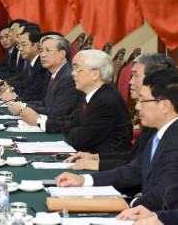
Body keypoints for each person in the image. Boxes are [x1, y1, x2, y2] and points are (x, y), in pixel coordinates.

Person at [56, 70, 178, 211]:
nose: (138, 106)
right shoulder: (159, 134)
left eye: (143, 100)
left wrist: (128, 205)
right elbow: (134, 171)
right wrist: (84, 180)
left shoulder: (174, 141)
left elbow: (164, 196)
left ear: (165, 106)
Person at [65, 53, 176, 171]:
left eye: (135, 76)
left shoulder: (163, 120)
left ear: (154, 79)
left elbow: (140, 169)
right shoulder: (153, 115)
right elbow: (134, 157)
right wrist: (96, 158)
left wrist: (97, 166)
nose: (130, 82)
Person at [45, 49, 132, 153]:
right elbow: (70, 125)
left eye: (77, 69)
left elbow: (79, 141)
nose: (72, 73)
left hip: (107, 162)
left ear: (95, 74)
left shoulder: (105, 101)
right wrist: (73, 131)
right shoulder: (87, 94)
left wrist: (72, 131)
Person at [8, 35, 80, 124]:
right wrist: (22, 104)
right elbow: (45, 103)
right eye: (41, 50)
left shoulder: (68, 77)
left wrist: (22, 108)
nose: (42, 54)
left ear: (62, 53)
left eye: (48, 50)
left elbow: (58, 112)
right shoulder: (56, 73)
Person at [0, 26, 49, 103]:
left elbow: (37, 94)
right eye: (19, 46)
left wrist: (12, 92)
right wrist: (11, 90)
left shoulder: (42, 65)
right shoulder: (31, 62)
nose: (20, 49)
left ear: (37, 45)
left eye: (24, 45)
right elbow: (27, 85)